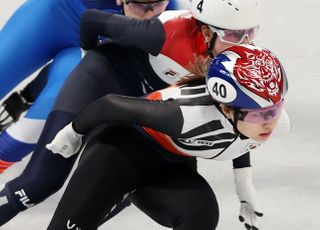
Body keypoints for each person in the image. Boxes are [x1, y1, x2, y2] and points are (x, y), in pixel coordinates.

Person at [0, 0, 261, 226]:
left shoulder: (237, 57)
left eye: (251, 32)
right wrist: (87, 58)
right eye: (237, 35)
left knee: (118, 182)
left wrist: (244, 183)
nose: (246, 43)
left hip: (138, 102)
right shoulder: (162, 32)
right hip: (100, 80)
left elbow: (238, 116)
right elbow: (92, 20)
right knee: (40, 183)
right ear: (206, 32)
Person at [46, 44, 288, 230]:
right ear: (226, 108)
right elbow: (111, 105)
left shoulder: (264, 121)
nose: (269, 122)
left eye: (275, 109)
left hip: (172, 164)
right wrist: (73, 132)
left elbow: (241, 140)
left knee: (199, 216)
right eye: (258, 115)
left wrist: (244, 188)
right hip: (119, 150)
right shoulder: (186, 116)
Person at [0, 0, 186, 173]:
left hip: (104, 39)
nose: (148, 9)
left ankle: (28, 97)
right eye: (140, 3)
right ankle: (28, 96)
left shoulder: (169, 16)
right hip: (58, 11)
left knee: (37, 125)